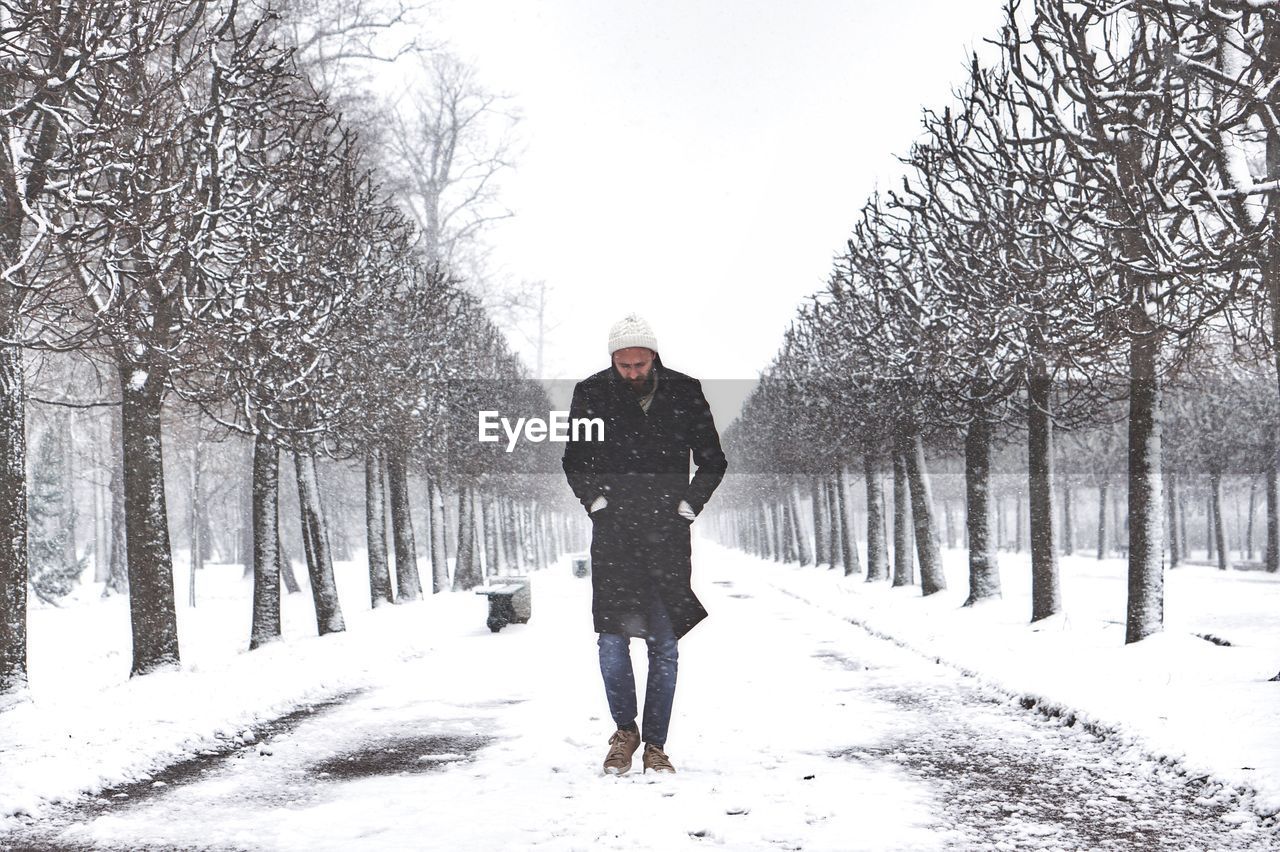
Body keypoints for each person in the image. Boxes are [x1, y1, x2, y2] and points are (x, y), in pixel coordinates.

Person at [561, 313, 728, 775]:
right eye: (623, 365)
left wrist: (689, 506)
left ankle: (657, 745)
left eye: (639, 364)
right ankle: (624, 733)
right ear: (612, 360)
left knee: (664, 643)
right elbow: (575, 459)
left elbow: (713, 460)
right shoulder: (591, 393)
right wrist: (595, 501)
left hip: (667, 535)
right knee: (612, 641)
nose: (631, 373)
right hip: (614, 534)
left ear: (654, 356)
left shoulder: (685, 390)